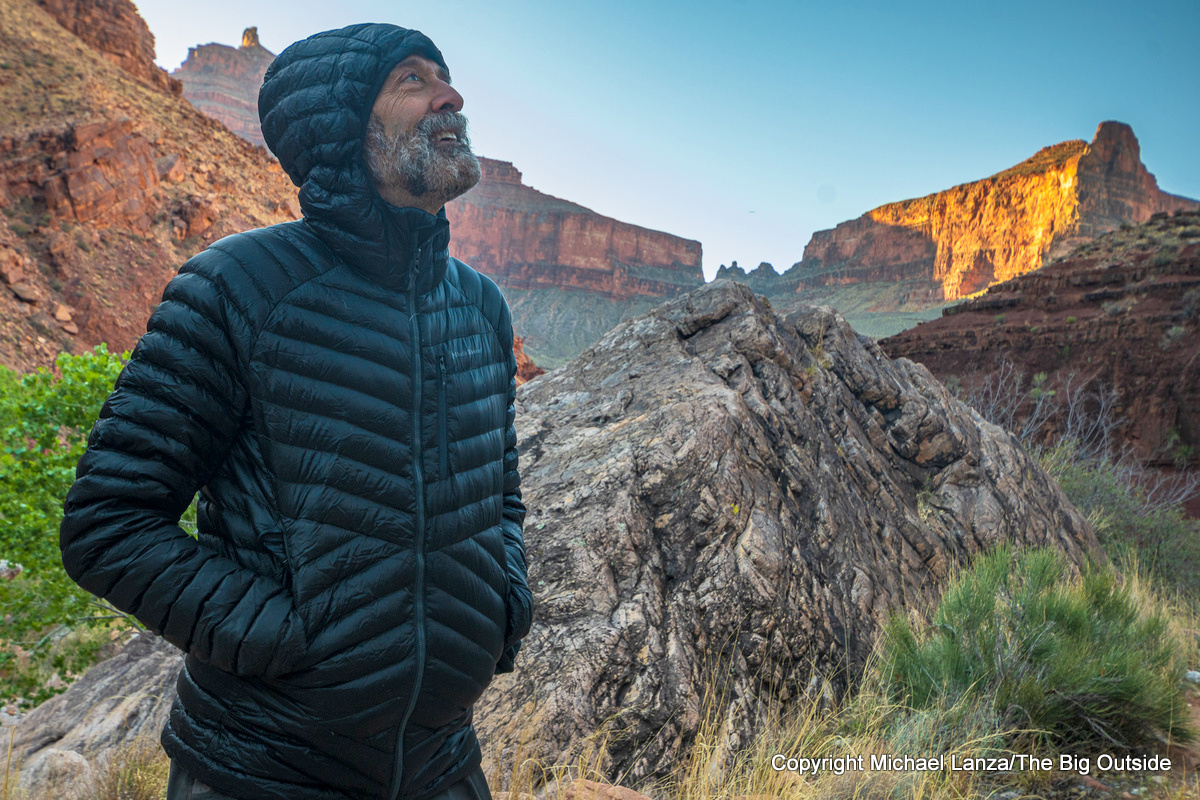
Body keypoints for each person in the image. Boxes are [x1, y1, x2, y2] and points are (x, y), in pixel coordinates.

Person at [58, 22, 532, 800]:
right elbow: (108, 523)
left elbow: (500, 496)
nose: (450, 97)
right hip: (260, 771)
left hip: (444, 769)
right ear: (339, 124)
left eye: (445, 77)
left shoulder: (480, 308)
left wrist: (503, 606)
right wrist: (286, 638)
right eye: (412, 80)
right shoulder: (238, 286)